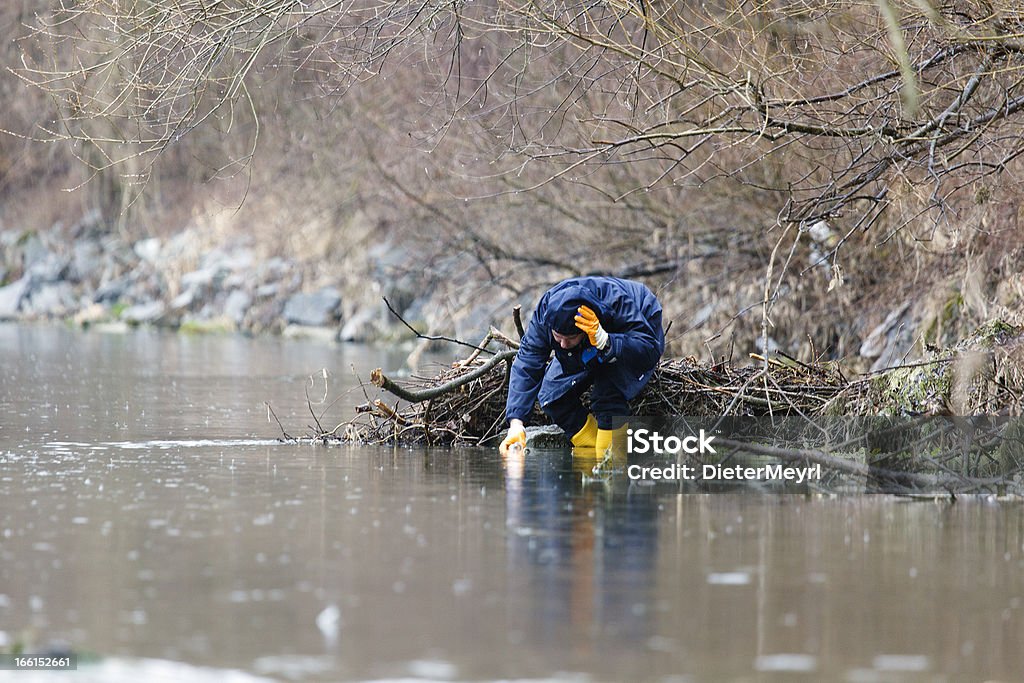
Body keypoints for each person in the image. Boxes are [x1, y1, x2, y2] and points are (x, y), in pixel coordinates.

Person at [499, 276, 665, 456]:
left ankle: (611, 464)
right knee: (551, 396)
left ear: (583, 331)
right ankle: (591, 453)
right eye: (557, 337)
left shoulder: (616, 302)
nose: (562, 345)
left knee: (607, 396)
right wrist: (516, 424)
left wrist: (607, 341)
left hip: (637, 326)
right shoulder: (546, 314)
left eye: (569, 338)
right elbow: (527, 362)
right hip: (587, 343)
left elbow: (649, 348)